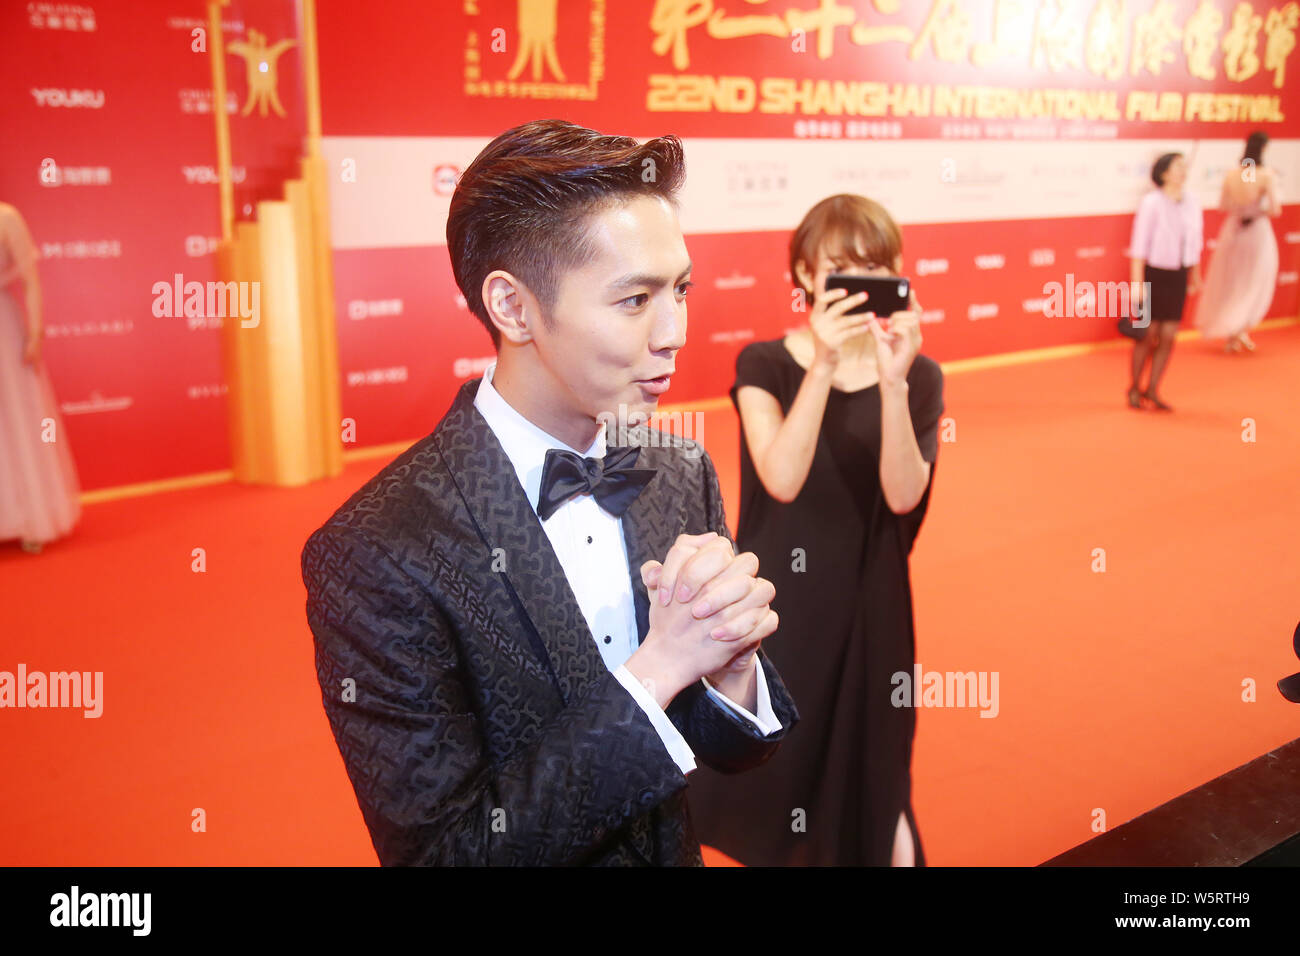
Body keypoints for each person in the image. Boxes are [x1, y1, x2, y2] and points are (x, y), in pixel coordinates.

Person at [300, 120, 798, 866]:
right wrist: (658, 669)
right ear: (512, 307)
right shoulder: (375, 552)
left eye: (682, 290)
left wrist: (729, 669)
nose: (674, 332)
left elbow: (724, 749)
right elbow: (446, 855)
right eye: (635, 300)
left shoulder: (678, 469)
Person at [686, 194, 945, 866]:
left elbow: (904, 493)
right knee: (781, 782)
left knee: (876, 779)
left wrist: (893, 384)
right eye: (839, 270)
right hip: (782, 608)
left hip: (872, 608)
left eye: (872, 268)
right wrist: (825, 365)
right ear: (804, 276)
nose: (856, 285)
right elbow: (782, 476)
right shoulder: (763, 365)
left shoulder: (920, 375)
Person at [0, 202, 80, 553]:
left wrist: (35, 334)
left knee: (18, 420)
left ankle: (31, 517)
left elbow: (31, 280)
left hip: (4, 332)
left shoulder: (7, 218)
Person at [1126, 153, 1203, 411]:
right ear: (1164, 173)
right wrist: (1137, 285)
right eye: (1177, 167)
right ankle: (1135, 387)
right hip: (1152, 274)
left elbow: (1194, 242)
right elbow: (1138, 247)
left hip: (1178, 274)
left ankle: (1153, 388)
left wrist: (1194, 273)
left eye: (1184, 166)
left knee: (1169, 335)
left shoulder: (1192, 201)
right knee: (1147, 335)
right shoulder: (1151, 203)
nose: (1183, 171)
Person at [1193, 131, 1282, 352]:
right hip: (1256, 232)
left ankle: (1234, 332)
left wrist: (1241, 210)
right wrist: (1254, 210)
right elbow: (1275, 209)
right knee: (1250, 280)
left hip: (1233, 230)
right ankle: (1238, 328)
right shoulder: (1264, 175)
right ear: (1263, 149)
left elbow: (1223, 205)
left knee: (1232, 280)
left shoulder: (1234, 175)